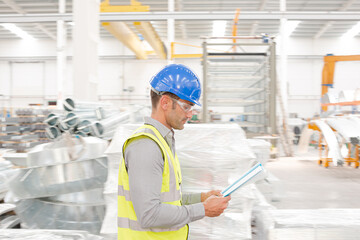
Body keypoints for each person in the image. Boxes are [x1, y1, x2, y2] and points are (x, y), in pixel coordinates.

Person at [118, 64, 231, 240]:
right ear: (165, 102)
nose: (190, 114)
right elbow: (150, 214)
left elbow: (168, 201)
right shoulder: (146, 145)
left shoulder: (162, 141)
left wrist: (201, 198)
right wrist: (204, 209)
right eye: (186, 107)